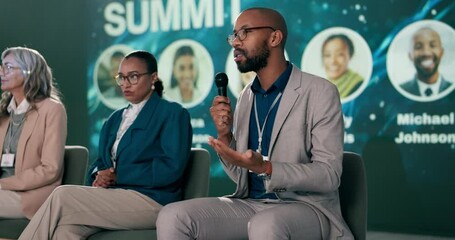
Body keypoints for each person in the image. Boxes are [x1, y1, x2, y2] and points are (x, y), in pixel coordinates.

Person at [157, 7, 353, 240]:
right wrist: (225, 136)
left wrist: (267, 168)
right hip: (250, 203)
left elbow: (329, 175)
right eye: (234, 35)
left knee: (266, 224)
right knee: (172, 216)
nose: (235, 43)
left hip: (306, 207)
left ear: (274, 38)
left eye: (245, 33)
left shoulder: (320, 91)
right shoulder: (246, 96)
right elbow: (240, 174)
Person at [19, 50, 193, 239]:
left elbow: (170, 169)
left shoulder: (172, 113)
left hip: (152, 201)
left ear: (153, 78)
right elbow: (101, 163)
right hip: (114, 198)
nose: (125, 84)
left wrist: (117, 175)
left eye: (133, 77)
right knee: (66, 230)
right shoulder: (115, 118)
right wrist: (98, 176)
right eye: (121, 77)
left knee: (63, 196)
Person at [0, 47, 67, 220]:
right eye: (2, 66)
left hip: (31, 195)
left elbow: (50, 169)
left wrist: (3, 184)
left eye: (8, 67)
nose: (2, 72)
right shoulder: (4, 112)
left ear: (28, 71)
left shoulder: (52, 109)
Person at [400, 27, 452, 97]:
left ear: (441, 52)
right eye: (418, 47)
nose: (426, 53)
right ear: (410, 56)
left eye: (432, 46)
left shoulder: (451, 90)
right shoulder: (402, 90)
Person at [321, 34, 364, 99]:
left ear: (350, 56)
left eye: (340, 54)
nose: (333, 61)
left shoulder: (358, 85)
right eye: (327, 55)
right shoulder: (321, 88)